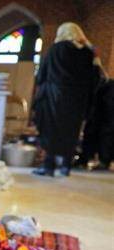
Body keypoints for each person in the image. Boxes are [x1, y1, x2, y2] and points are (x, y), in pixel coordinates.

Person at [32, 22, 101, 176]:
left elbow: (42, 74)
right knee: (72, 132)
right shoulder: (88, 52)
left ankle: (48, 166)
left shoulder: (56, 49)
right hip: (77, 101)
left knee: (51, 130)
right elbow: (95, 78)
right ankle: (65, 166)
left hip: (54, 98)